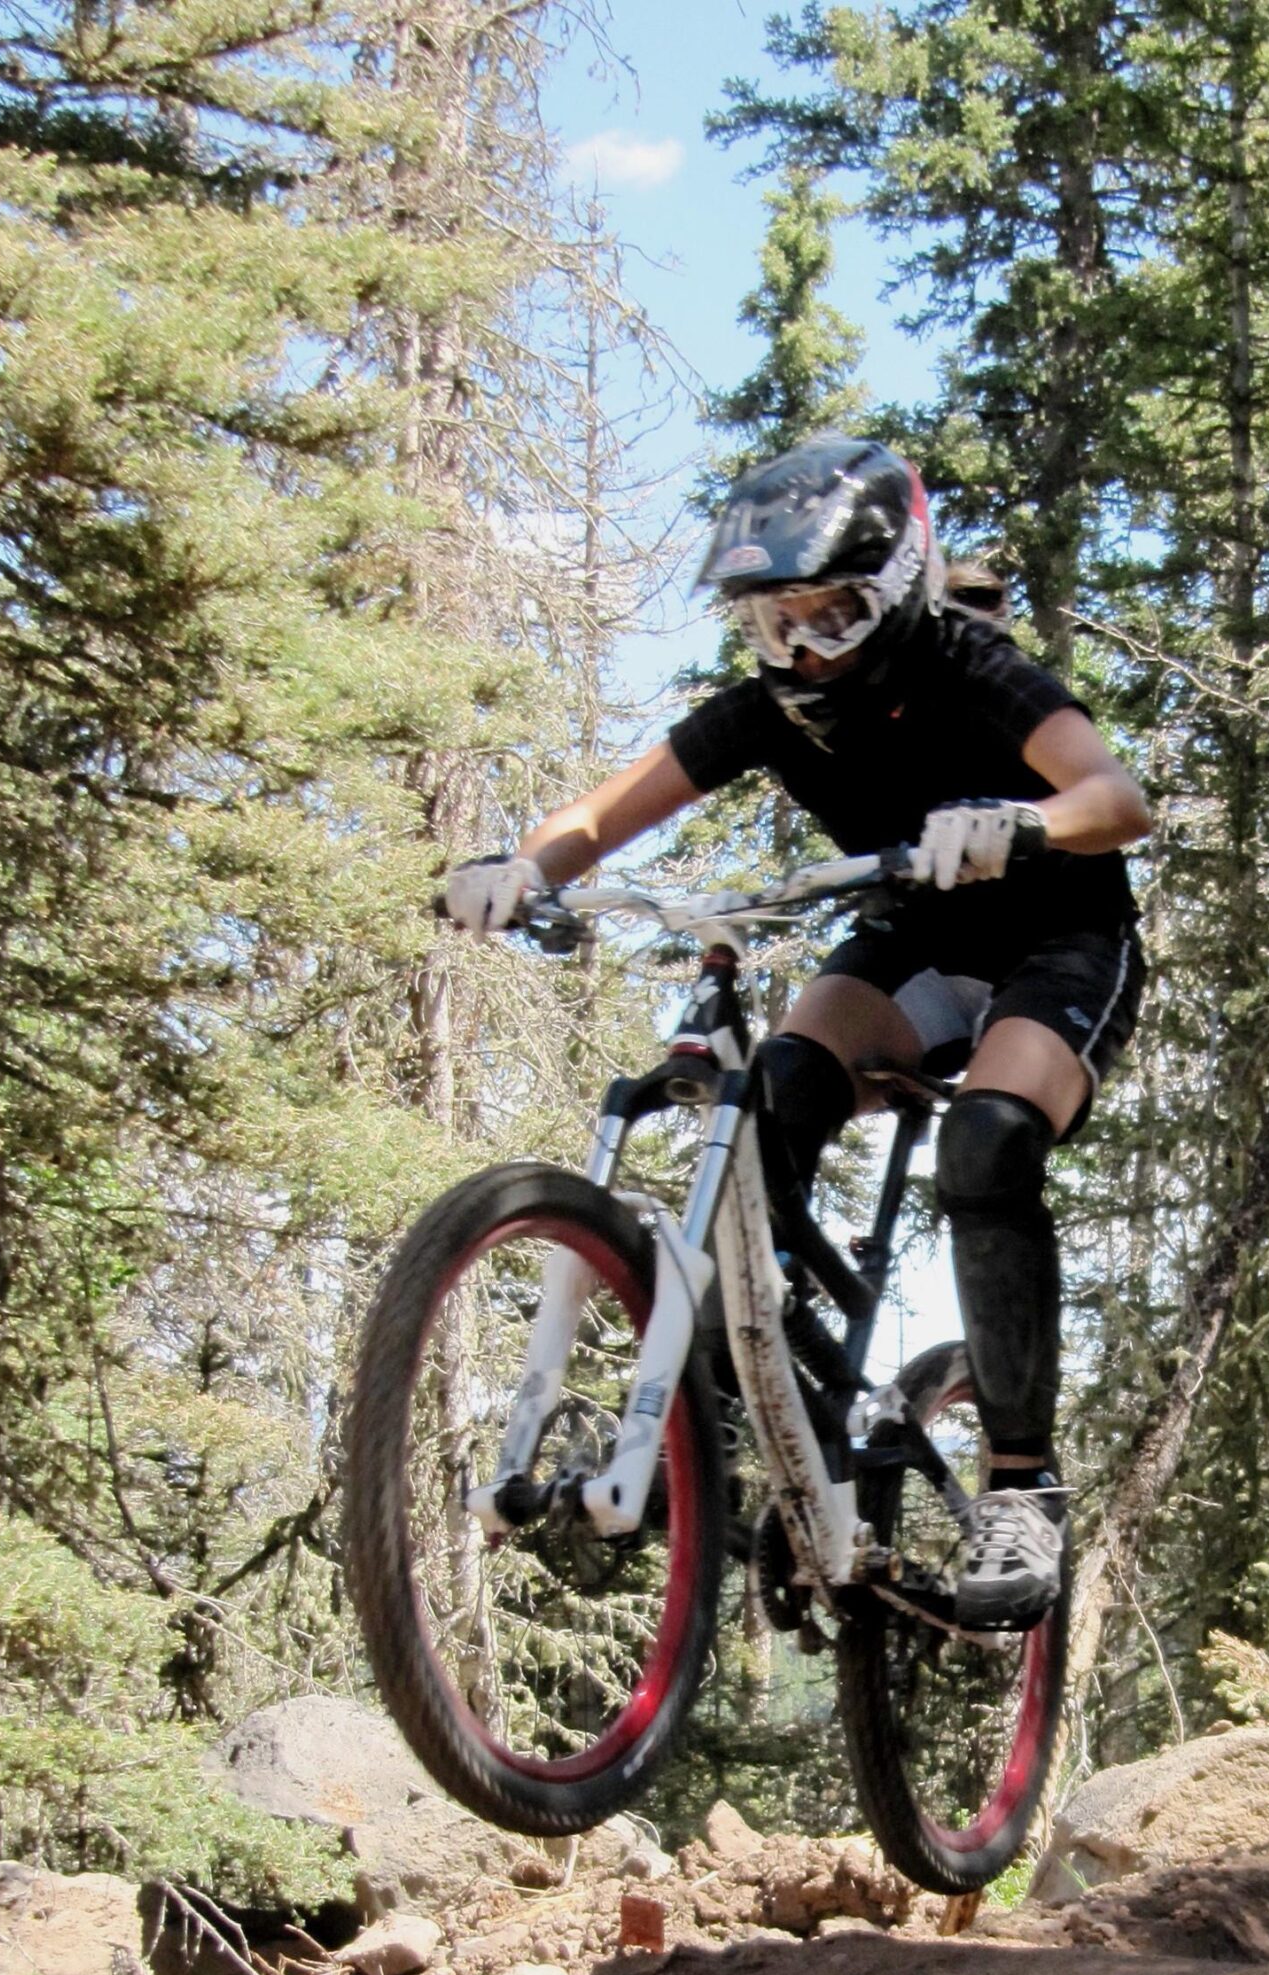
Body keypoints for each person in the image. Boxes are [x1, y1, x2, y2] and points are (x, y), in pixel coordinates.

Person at [444, 434, 1151, 1634]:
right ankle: (752, 1396)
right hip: (915, 942)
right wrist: (522, 867)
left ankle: (1022, 1486)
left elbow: (1116, 798)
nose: (803, 648)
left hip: (1059, 942)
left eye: (832, 615)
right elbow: (601, 817)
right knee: (770, 1093)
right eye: (774, 622)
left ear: (899, 588)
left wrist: (1021, 823)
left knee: (985, 1140)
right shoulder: (769, 710)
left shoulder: (972, 666)